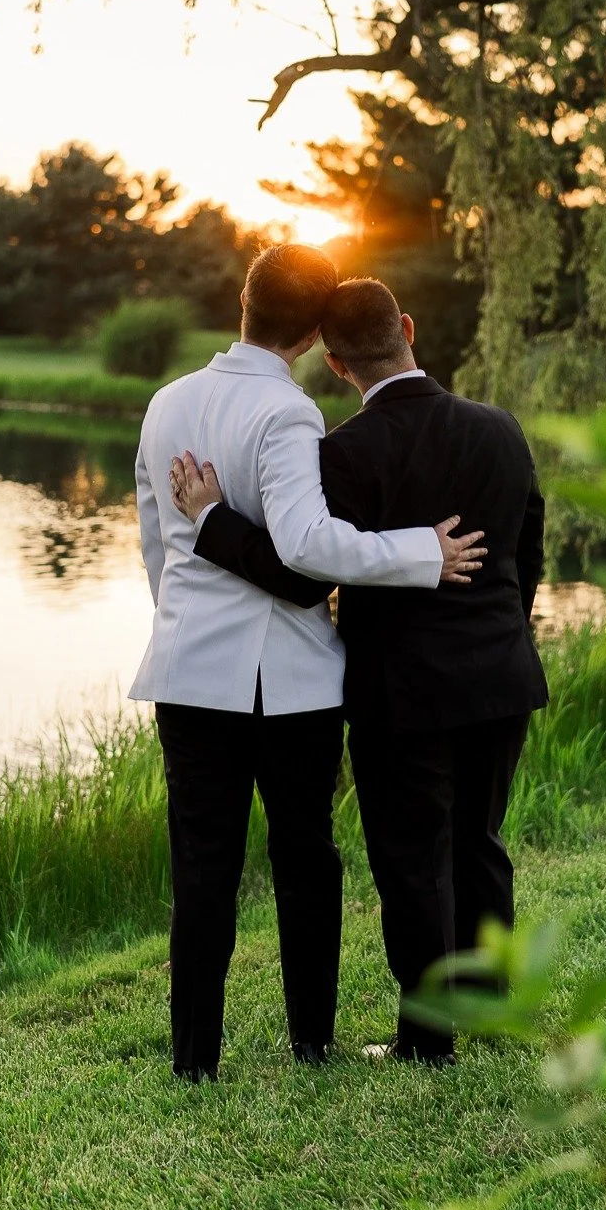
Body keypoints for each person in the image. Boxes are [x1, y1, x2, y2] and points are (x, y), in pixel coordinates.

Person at [170, 276, 546, 1065]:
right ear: (407, 327)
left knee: (413, 859)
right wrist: (508, 631)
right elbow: (526, 547)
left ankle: (426, 1041)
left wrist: (210, 522)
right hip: (500, 677)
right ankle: (491, 1002)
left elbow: (305, 573)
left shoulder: (343, 452)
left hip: (401, 691)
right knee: (478, 841)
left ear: (336, 364)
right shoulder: (499, 429)